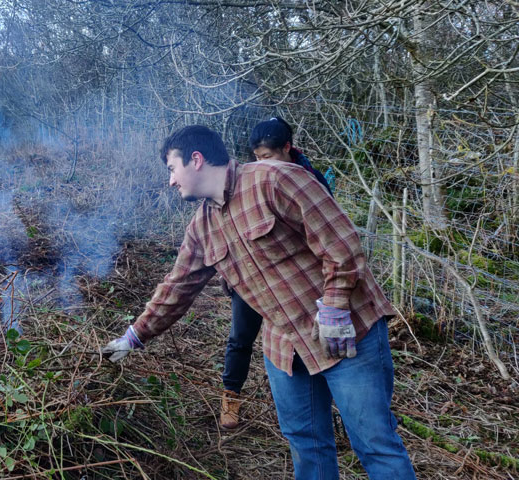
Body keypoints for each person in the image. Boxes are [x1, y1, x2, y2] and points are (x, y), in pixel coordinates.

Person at [101, 125, 415, 479]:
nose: (171, 181)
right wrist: (133, 336)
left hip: (347, 332)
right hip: (285, 347)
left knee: (375, 444)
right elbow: (176, 288)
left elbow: (340, 243)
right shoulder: (201, 228)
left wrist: (335, 303)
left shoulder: (275, 179)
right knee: (306, 445)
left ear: (197, 160)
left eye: (172, 169)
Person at [218, 117, 332, 430]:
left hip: (298, 283)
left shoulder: (312, 180)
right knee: (241, 337)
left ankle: (323, 407)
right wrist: (230, 267)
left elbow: (329, 234)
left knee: (311, 340)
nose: (262, 165)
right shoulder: (246, 180)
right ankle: (231, 397)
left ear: (287, 148)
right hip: (251, 274)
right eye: (257, 158)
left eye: (268, 157)